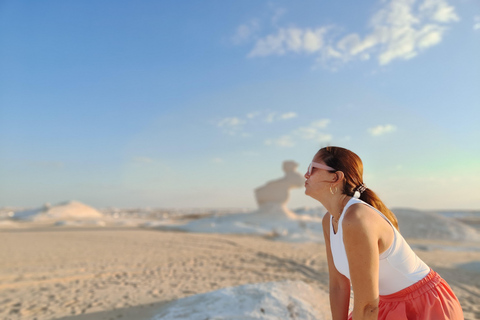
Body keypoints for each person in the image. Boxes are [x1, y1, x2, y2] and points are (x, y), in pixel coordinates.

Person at [304, 146, 463, 320]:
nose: (306, 174)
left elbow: (367, 305)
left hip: (423, 305)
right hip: (385, 303)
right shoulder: (329, 220)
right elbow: (338, 285)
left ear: (336, 177)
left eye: (312, 168)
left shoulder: (357, 219)